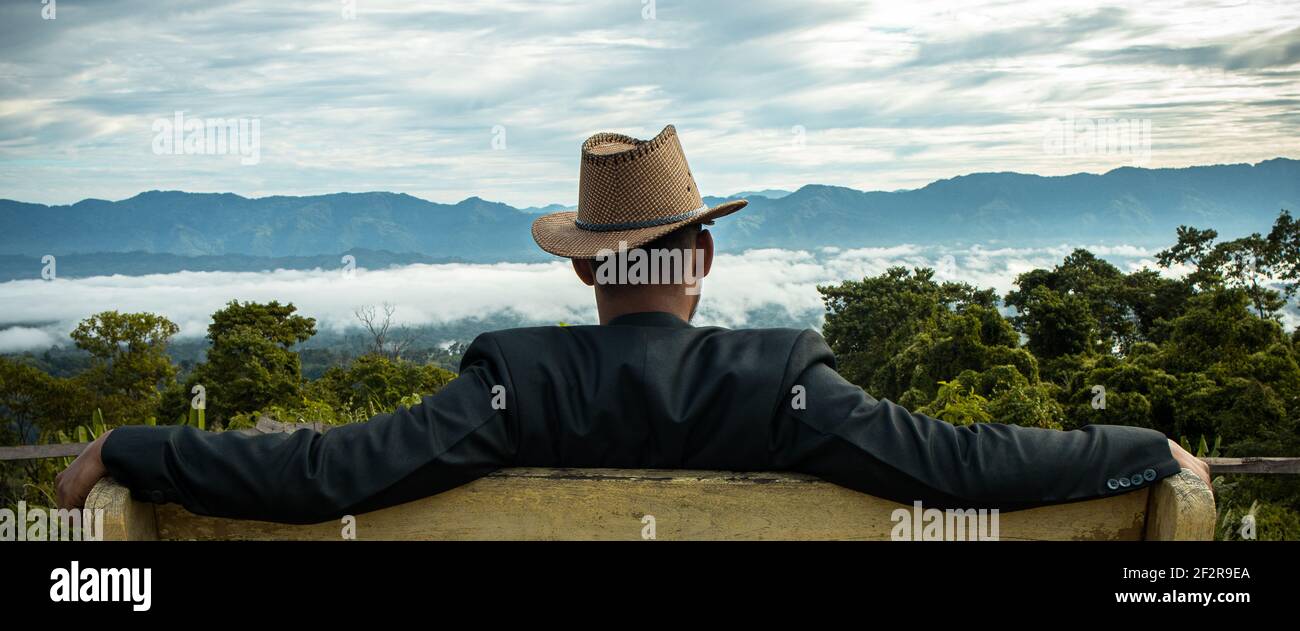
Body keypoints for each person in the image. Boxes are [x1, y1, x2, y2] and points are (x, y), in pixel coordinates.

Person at [56, 125, 1210, 524]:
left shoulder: (515, 381)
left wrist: (131, 447)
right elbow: (963, 467)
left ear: (584, 276)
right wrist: (1144, 447)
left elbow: (323, 474)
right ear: (701, 257)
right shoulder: (785, 380)